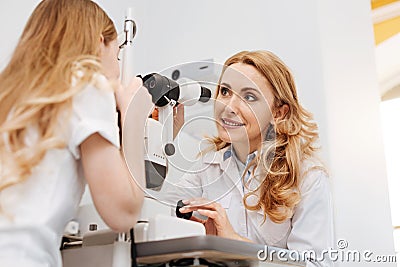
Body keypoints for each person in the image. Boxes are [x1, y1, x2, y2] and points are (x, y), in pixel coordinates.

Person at [0, 0, 146, 266]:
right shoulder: (86, 81)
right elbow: (122, 214)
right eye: (116, 57)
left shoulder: (9, 95)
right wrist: (133, 115)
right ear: (99, 43)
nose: (115, 71)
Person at [161, 50, 334, 266]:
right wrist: (165, 135)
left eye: (249, 97)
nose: (229, 106)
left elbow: (316, 264)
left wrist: (237, 245)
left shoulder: (308, 177)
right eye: (225, 92)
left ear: (278, 113)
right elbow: (155, 205)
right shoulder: (207, 167)